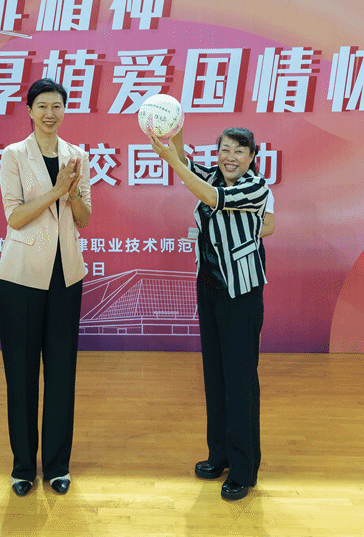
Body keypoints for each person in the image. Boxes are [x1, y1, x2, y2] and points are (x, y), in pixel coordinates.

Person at [150, 125, 271, 501]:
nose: (230, 157)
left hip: (241, 292)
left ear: (252, 157)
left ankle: (244, 469)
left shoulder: (254, 187)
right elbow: (185, 161)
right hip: (210, 288)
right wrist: (176, 128)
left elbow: (212, 197)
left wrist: (172, 162)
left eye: (239, 151)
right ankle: (219, 455)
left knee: (240, 380)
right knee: (215, 377)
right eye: (225, 150)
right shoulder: (213, 173)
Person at [0, 78, 92, 497]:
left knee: (61, 374)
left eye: (57, 106)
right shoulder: (14, 155)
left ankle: (56, 465)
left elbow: (84, 218)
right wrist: (55, 191)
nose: (50, 114)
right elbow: (15, 217)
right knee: (21, 375)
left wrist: (72, 195)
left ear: (64, 110)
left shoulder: (77, 156)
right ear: (30, 111)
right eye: (42, 106)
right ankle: (23, 467)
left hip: (65, 276)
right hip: (21, 278)